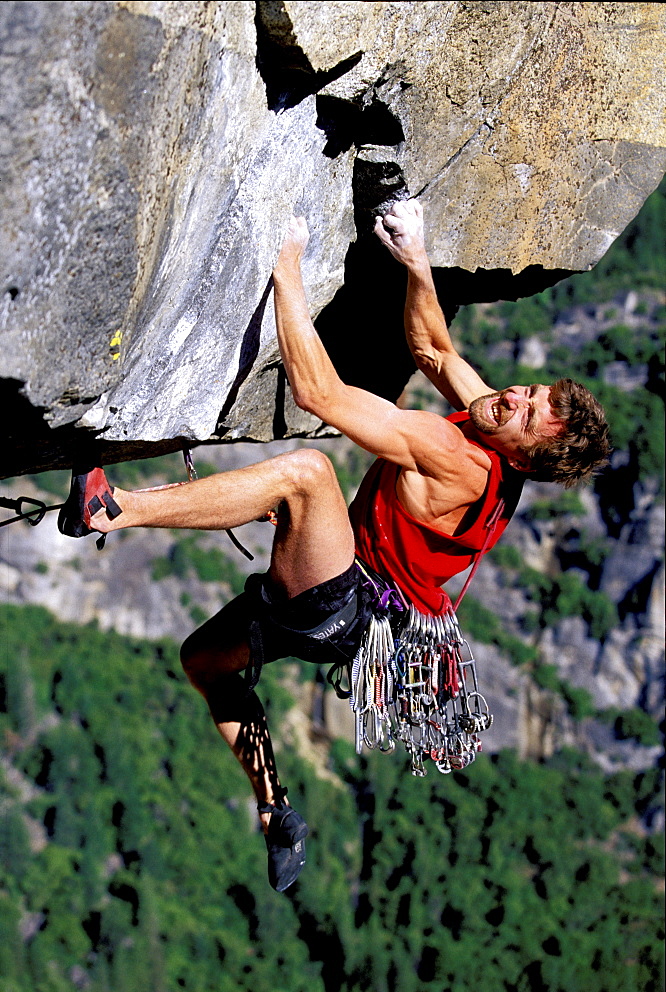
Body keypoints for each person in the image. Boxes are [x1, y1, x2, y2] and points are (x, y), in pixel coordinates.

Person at [58, 200, 611, 892]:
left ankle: (111, 510)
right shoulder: (497, 433)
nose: (512, 400)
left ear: (530, 456)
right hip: (353, 605)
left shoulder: (459, 455)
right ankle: (275, 811)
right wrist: (416, 257)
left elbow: (318, 393)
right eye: (528, 392)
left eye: (528, 413)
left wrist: (285, 268)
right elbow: (436, 350)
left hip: (344, 603)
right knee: (204, 663)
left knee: (307, 474)